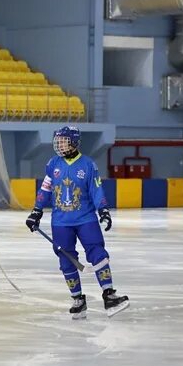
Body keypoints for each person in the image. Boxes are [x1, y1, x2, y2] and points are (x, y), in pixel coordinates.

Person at [25, 126, 129, 318]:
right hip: (60, 222)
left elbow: (96, 189)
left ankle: (109, 294)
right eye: (59, 140)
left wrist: (103, 210)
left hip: (85, 219)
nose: (59, 144)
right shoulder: (53, 164)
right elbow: (45, 189)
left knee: (97, 252)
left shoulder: (88, 165)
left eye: (63, 140)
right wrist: (36, 210)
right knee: (66, 259)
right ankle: (78, 299)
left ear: (73, 142)